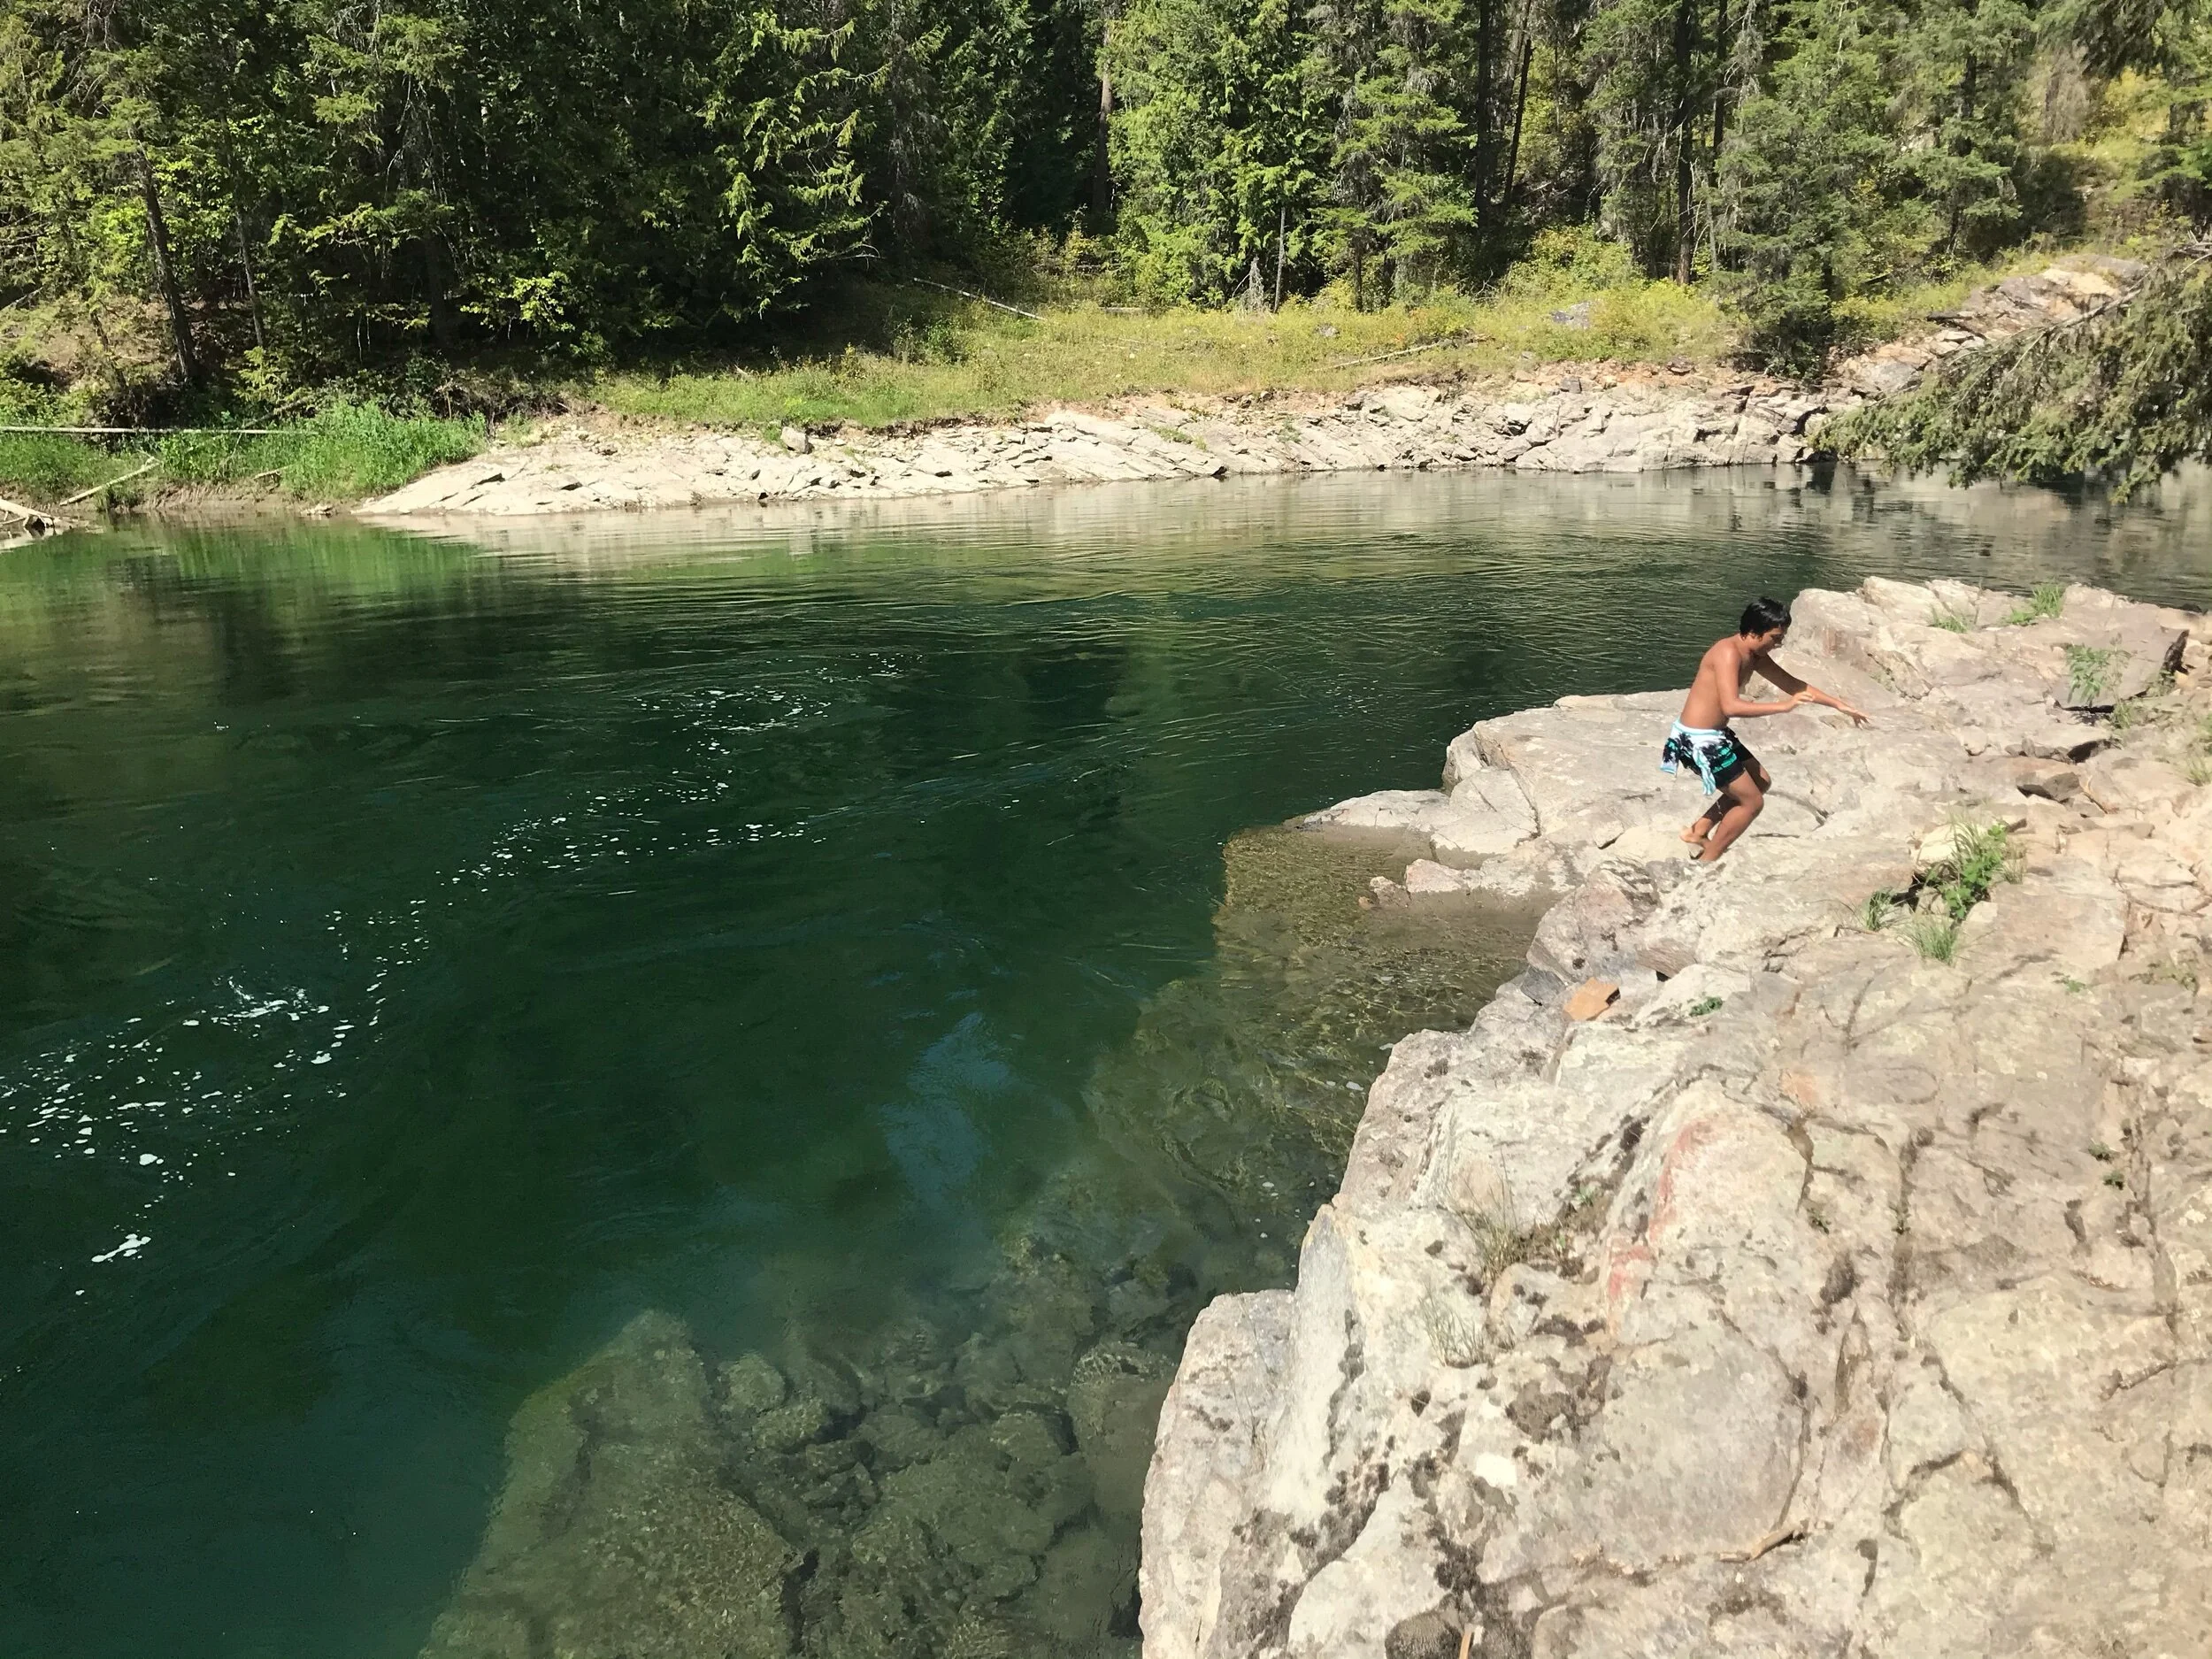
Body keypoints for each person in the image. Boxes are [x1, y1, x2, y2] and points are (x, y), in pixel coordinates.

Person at [1663, 597, 1870, 864]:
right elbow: (1731, 705)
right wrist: (1784, 707)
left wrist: (1839, 705)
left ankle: (1698, 831)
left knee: (1760, 782)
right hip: (1696, 740)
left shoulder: (1755, 654)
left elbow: (1795, 685)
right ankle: (1706, 862)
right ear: (1753, 632)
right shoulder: (1728, 652)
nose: (1778, 644)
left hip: (1715, 735)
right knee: (1751, 803)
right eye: (1775, 638)